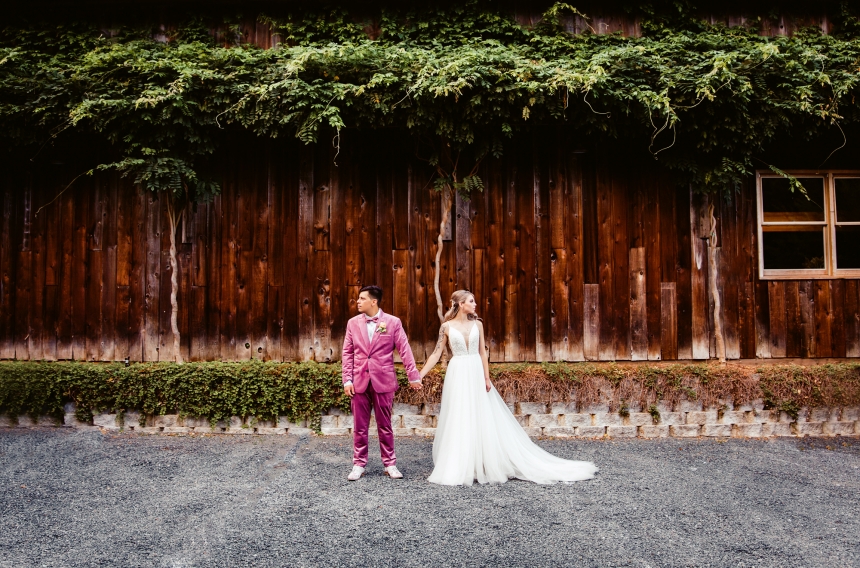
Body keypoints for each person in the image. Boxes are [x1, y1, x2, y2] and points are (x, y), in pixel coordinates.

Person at [420, 290, 597, 486]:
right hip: (458, 372)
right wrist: (419, 375)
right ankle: (462, 464)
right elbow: (436, 354)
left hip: (475, 371)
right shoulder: (446, 327)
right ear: (461, 304)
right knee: (460, 415)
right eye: (471, 301)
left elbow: (482, 353)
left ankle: (484, 463)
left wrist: (486, 378)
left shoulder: (477, 324)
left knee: (481, 415)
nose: (475, 304)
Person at [342, 285, 422, 481]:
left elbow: (404, 349)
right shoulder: (352, 323)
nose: (358, 302)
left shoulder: (393, 322)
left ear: (373, 301)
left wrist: (413, 375)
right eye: (358, 298)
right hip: (359, 380)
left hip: (384, 380)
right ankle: (358, 464)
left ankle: (390, 463)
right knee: (359, 426)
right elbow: (347, 353)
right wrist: (347, 380)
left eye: (362, 298)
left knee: (385, 425)